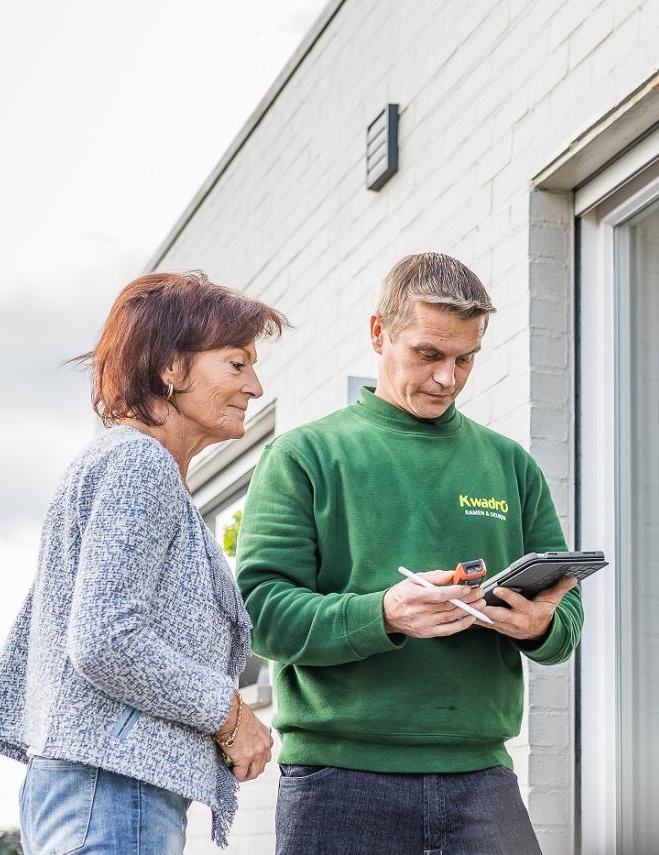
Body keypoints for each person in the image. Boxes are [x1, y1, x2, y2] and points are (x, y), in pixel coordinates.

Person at [236, 252, 584, 855]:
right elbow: (260, 613)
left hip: (482, 778)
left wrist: (540, 625)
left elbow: (565, 615)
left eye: (465, 359)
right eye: (428, 354)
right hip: (337, 781)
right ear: (379, 333)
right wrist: (384, 615)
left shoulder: (511, 466)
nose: (447, 378)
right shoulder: (305, 456)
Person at [0, 271, 285, 852]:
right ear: (170, 368)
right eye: (237, 365)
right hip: (113, 789)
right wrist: (231, 716)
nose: (256, 387)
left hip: (98, 786)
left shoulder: (121, 461)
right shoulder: (140, 464)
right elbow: (106, 640)